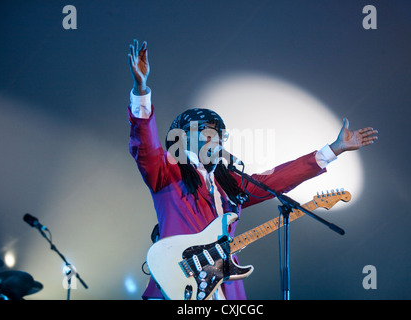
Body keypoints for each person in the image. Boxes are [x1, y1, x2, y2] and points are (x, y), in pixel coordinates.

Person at [127, 39, 378, 300]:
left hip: (223, 289)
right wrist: (140, 88)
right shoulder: (168, 172)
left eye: (222, 135)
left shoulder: (228, 184)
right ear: (187, 136)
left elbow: (276, 180)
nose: (219, 140)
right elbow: (145, 144)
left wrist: (333, 150)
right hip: (177, 286)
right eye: (211, 133)